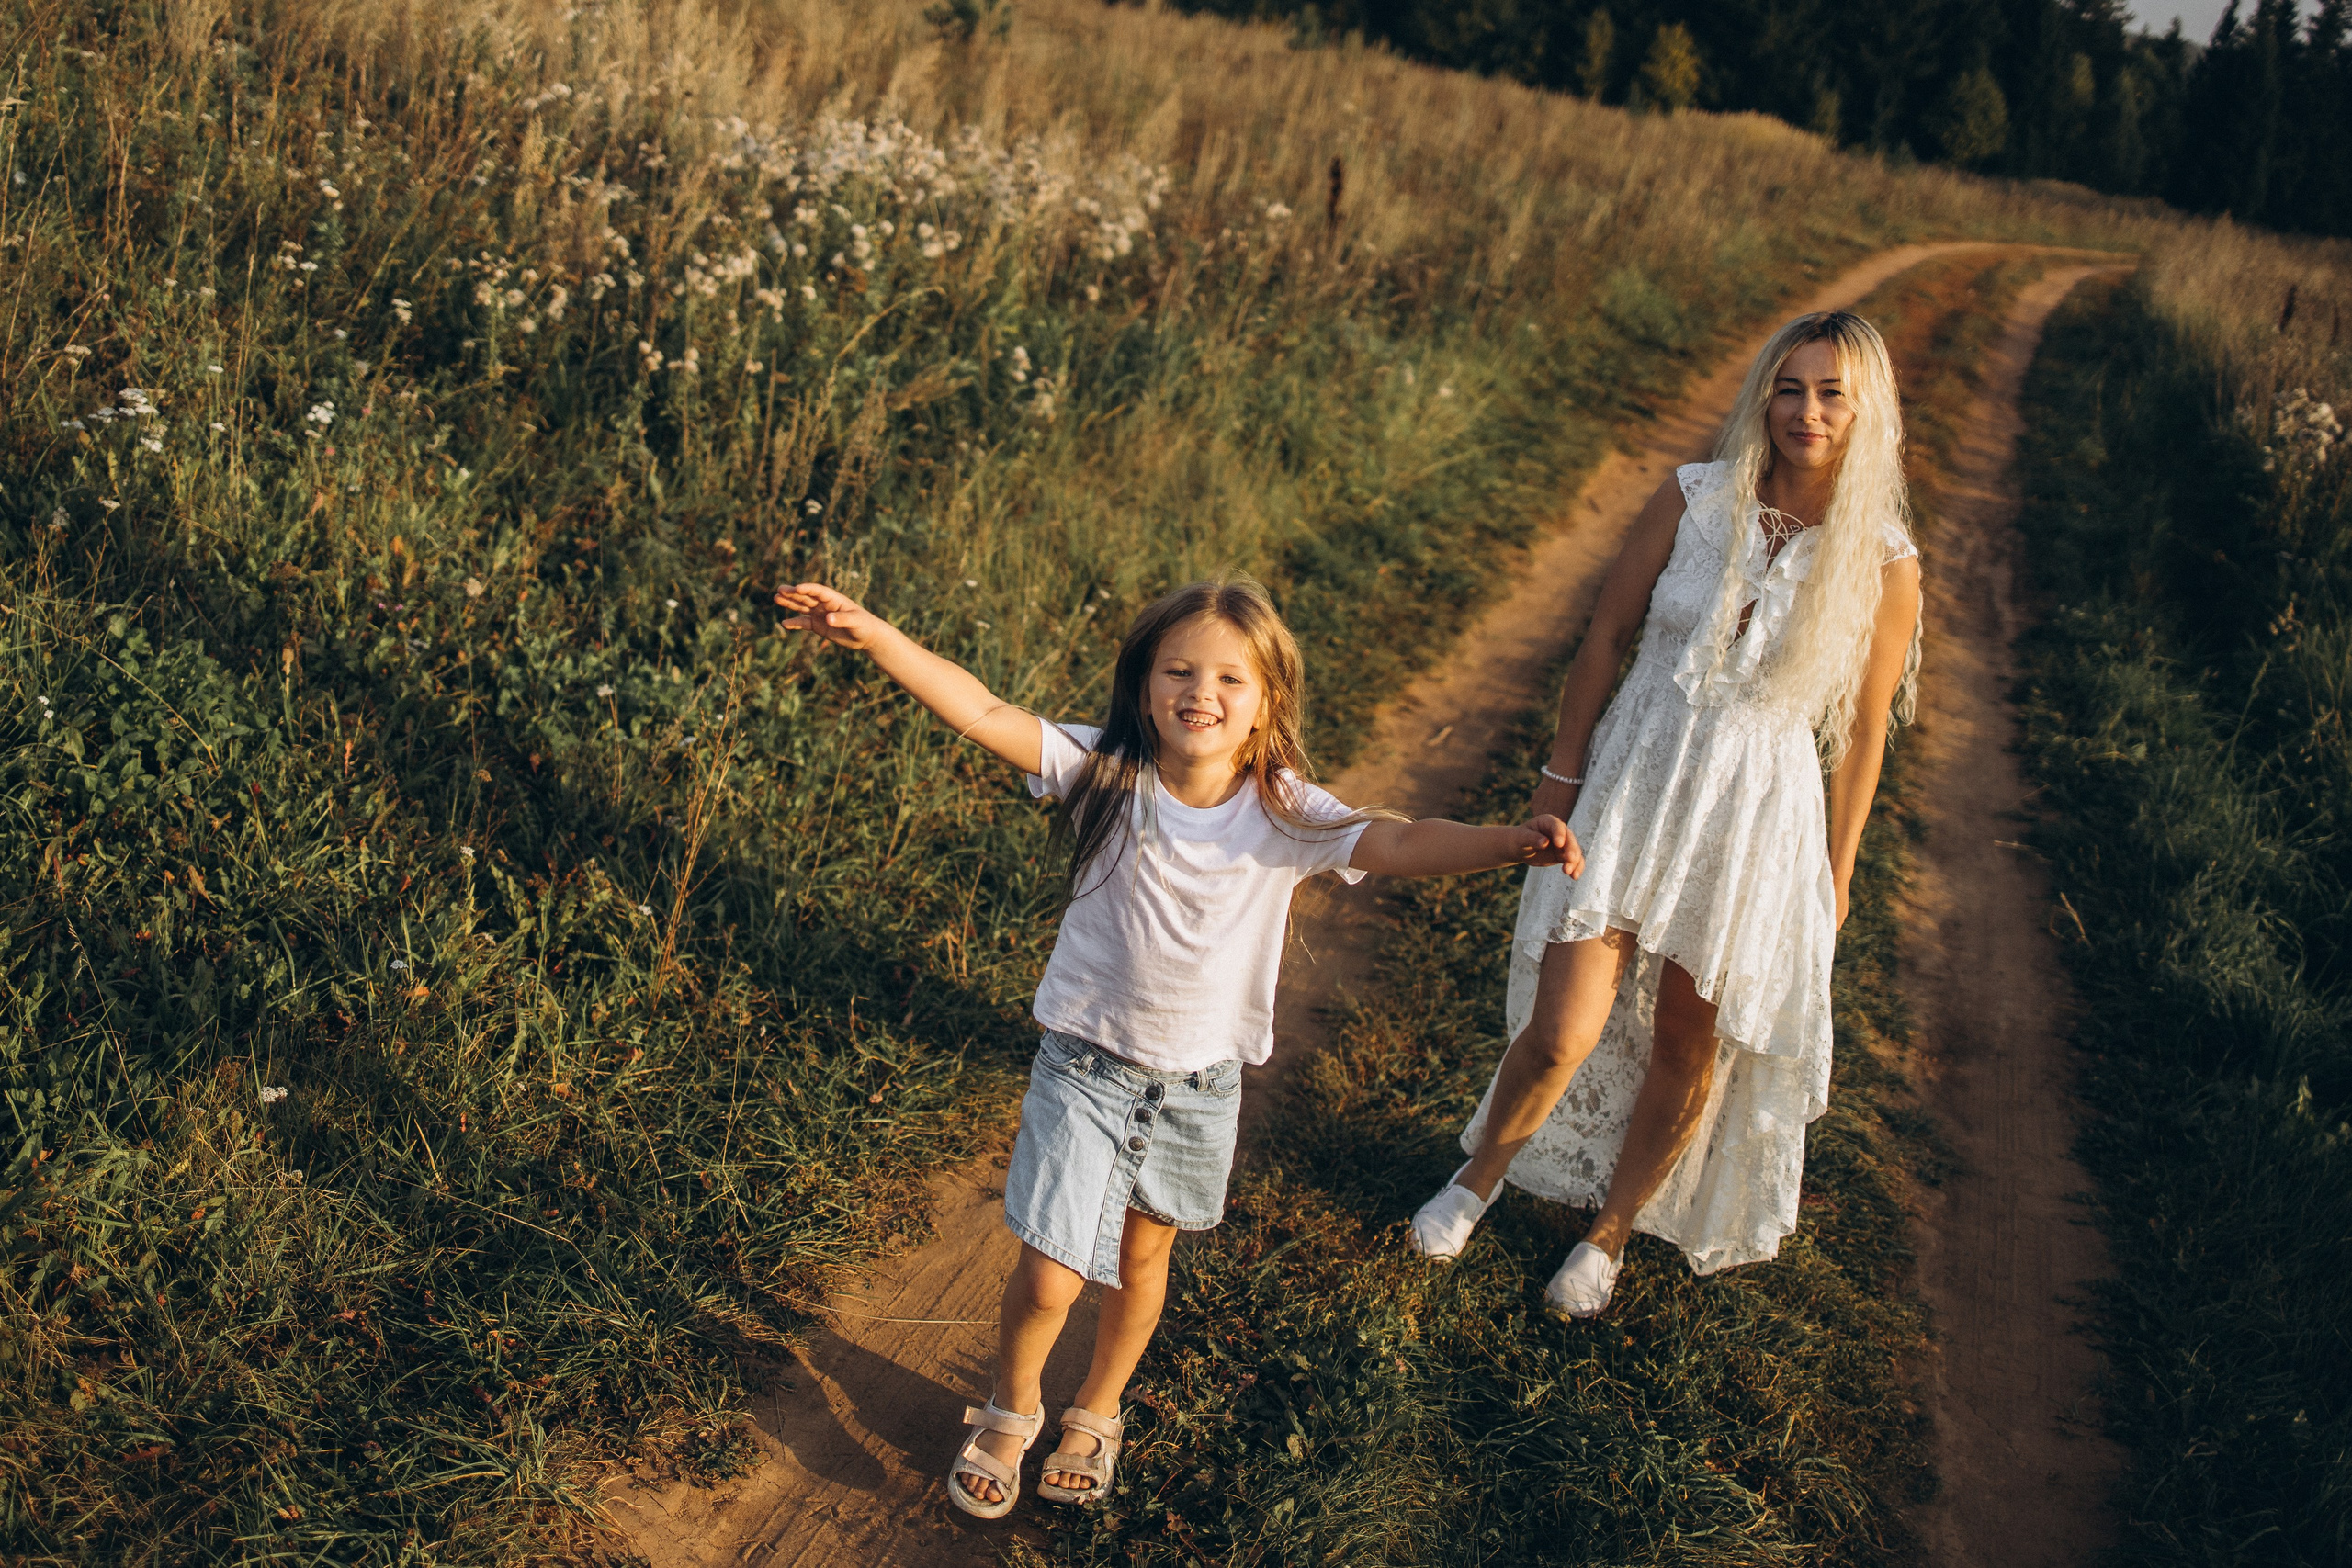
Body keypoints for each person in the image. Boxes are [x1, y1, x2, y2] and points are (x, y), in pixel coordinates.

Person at [777, 573, 1572, 1518]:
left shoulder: (1286, 811)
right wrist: (877, 634)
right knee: (1048, 1271)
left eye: (1231, 679)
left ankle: (1098, 1410)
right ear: (1144, 686)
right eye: (1179, 671)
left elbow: (1396, 842)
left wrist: (1504, 843)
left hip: (1197, 1086)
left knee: (1142, 1263)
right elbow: (983, 709)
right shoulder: (1103, 770)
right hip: (1085, 1066)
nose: (1202, 692)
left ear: (1266, 701)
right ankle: (1009, 1410)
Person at [1407, 310, 1923, 1320]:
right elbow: (1603, 636)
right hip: (1636, 779)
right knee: (1562, 1027)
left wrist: (1836, 872)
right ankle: (1477, 1180)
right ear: (1761, 397)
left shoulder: (1885, 560)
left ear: (1867, 413)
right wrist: (1558, 781)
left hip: (1754, 813)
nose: (1804, 411)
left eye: (1829, 393)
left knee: (1693, 1036)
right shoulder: (1694, 499)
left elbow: (1864, 735)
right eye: (1787, 387)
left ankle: (1609, 1233)